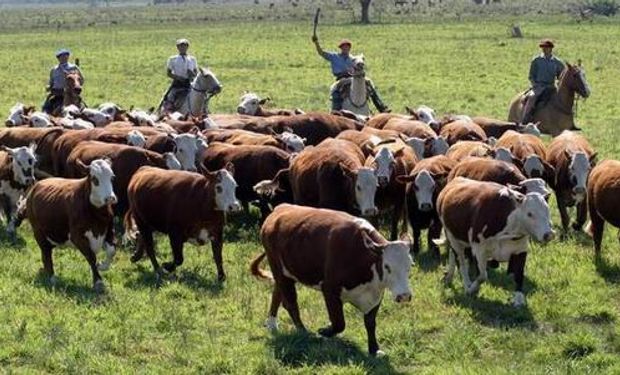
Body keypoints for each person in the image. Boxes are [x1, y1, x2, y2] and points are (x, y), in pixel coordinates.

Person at [311, 36, 390, 113]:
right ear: (341, 48)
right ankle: (336, 110)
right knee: (335, 89)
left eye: (347, 47)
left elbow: (358, 66)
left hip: (353, 78)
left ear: (349, 48)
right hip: (341, 78)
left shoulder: (353, 59)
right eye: (344, 47)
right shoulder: (334, 56)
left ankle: (381, 107)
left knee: (369, 83)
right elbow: (321, 52)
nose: (346, 48)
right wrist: (316, 43)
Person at [521, 38, 565, 124]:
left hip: (551, 86)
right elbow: (531, 76)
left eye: (546, 47)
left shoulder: (557, 62)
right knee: (532, 97)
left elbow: (561, 76)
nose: (544, 49)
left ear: (551, 49)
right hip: (538, 86)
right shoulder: (536, 60)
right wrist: (535, 85)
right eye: (543, 47)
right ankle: (525, 119)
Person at [42, 48, 83, 114]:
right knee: (47, 105)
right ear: (58, 58)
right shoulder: (54, 69)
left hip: (71, 92)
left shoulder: (74, 67)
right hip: (57, 92)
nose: (64, 58)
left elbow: (81, 79)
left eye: (66, 55)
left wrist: (76, 86)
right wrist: (49, 86)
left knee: (81, 105)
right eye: (62, 56)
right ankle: (46, 113)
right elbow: (51, 82)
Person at [163, 38, 198, 113]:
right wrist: (178, 77)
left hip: (189, 83)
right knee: (170, 96)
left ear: (187, 47)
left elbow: (196, 73)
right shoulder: (172, 59)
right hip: (177, 83)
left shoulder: (192, 59)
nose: (183, 48)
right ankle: (168, 111)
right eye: (181, 46)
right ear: (177, 47)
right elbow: (168, 73)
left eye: (185, 46)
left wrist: (191, 74)